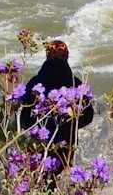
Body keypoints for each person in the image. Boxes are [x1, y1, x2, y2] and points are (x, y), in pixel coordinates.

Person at [19, 38, 95, 166]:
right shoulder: (75, 83)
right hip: (66, 140)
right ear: (67, 57)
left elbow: (24, 112)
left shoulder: (36, 82)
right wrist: (70, 124)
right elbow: (88, 116)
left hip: (40, 140)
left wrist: (34, 130)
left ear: (47, 56)